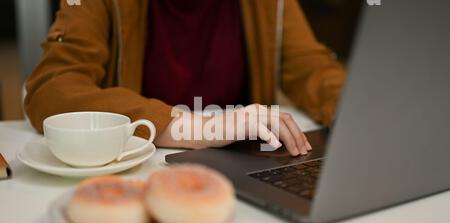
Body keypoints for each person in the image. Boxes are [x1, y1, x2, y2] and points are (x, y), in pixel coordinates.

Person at [25, 0, 345, 156]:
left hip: (244, 171)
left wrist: (364, 110)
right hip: (143, 172)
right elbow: (52, 87)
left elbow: (313, 70)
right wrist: (197, 127)